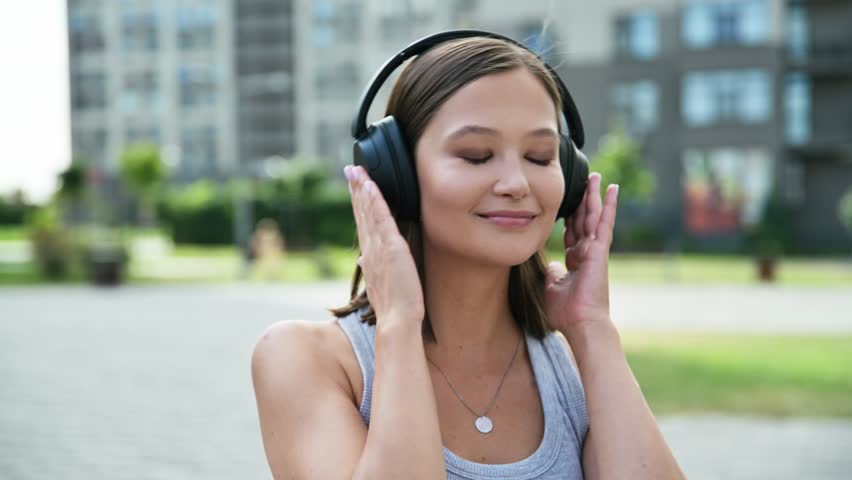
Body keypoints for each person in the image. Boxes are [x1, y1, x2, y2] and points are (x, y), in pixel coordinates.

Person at [251, 31, 685, 479]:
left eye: (540, 156)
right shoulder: (305, 359)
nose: (516, 183)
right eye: (477, 156)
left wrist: (592, 327)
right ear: (396, 174)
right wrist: (399, 325)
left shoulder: (575, 368)